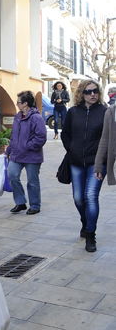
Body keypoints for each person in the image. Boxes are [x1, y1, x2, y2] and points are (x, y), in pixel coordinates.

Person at [62, 80, 107, 252]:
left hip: (97, 163)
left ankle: (91, 235)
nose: (92, 94)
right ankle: (85, 220)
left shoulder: (105, 112)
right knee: (78, 198)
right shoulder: (73, 112)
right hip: (76, 161)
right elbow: (65, 133)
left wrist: (104, 160)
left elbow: (110, 138)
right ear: (82, 93)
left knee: (91, 196)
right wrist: (71, 149)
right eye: (88, 92)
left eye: (95, 91)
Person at [6, 90, 47, 215]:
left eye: (18, 102)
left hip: (32, 155)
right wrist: (8, 150)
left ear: (25, 103)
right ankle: (20, 202)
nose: (17, 104)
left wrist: (27, 146)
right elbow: (14, 136)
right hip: (16, 154)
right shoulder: (18, 117)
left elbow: (41, 137)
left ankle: (35, 205)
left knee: (32, 181)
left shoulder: (36, 118)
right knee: (12, 175)